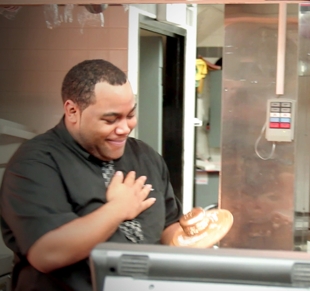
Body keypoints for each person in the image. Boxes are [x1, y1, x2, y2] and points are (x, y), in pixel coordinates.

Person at [0, 59, 182, 291]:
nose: (125, 128)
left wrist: (191, 238)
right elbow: (47, 254)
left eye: (130, 115)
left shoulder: (146, 156)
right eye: (110, 119)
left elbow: (168, 225)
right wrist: (117, 209)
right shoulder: (35, 163)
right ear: (72, 111)